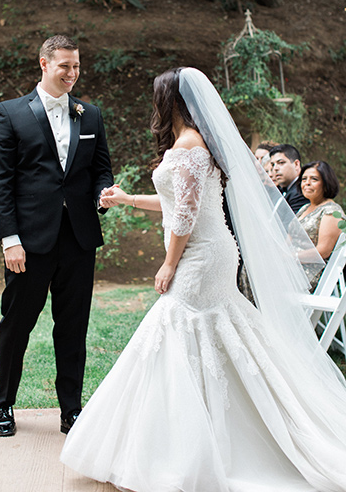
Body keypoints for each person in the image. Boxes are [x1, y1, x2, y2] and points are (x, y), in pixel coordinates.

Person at [61, 67, 346, 492]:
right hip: (206, 251)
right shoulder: (192, 145)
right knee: (212, 332)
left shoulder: (191, 146)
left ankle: (183, 450)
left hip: (201, 255)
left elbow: (186, 216)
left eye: (157, 97)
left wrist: (169, 264)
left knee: (178, 328)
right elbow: (175, 199)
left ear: (170, 101)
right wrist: (126, 199)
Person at [0, 35, 113, 437]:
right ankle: (4, 404)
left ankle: (70, 411)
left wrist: (102, 193)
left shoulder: (90, 115)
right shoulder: (11, 113)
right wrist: (10, 240)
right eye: (65, 66)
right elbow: (0, 182)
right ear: (44, 64)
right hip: (28, 243)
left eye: (77, 66)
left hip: (78, 239)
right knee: (17, 324)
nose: (73, 74)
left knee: (73, 327)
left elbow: (102, 170)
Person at [297, 160, 346, 290]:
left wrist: (291, 258)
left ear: (326, 183)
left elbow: (323, 251)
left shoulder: (331, 211)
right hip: (292, 266)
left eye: (314, 179)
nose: (307, 183)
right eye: (304, 179)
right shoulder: (304, 208)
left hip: (310, 274)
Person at [269, 143, 308, 213]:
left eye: (281, 163)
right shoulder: (279, 190)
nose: (275, 168)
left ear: (296, 164)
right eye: (273, 165)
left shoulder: (302, 191)